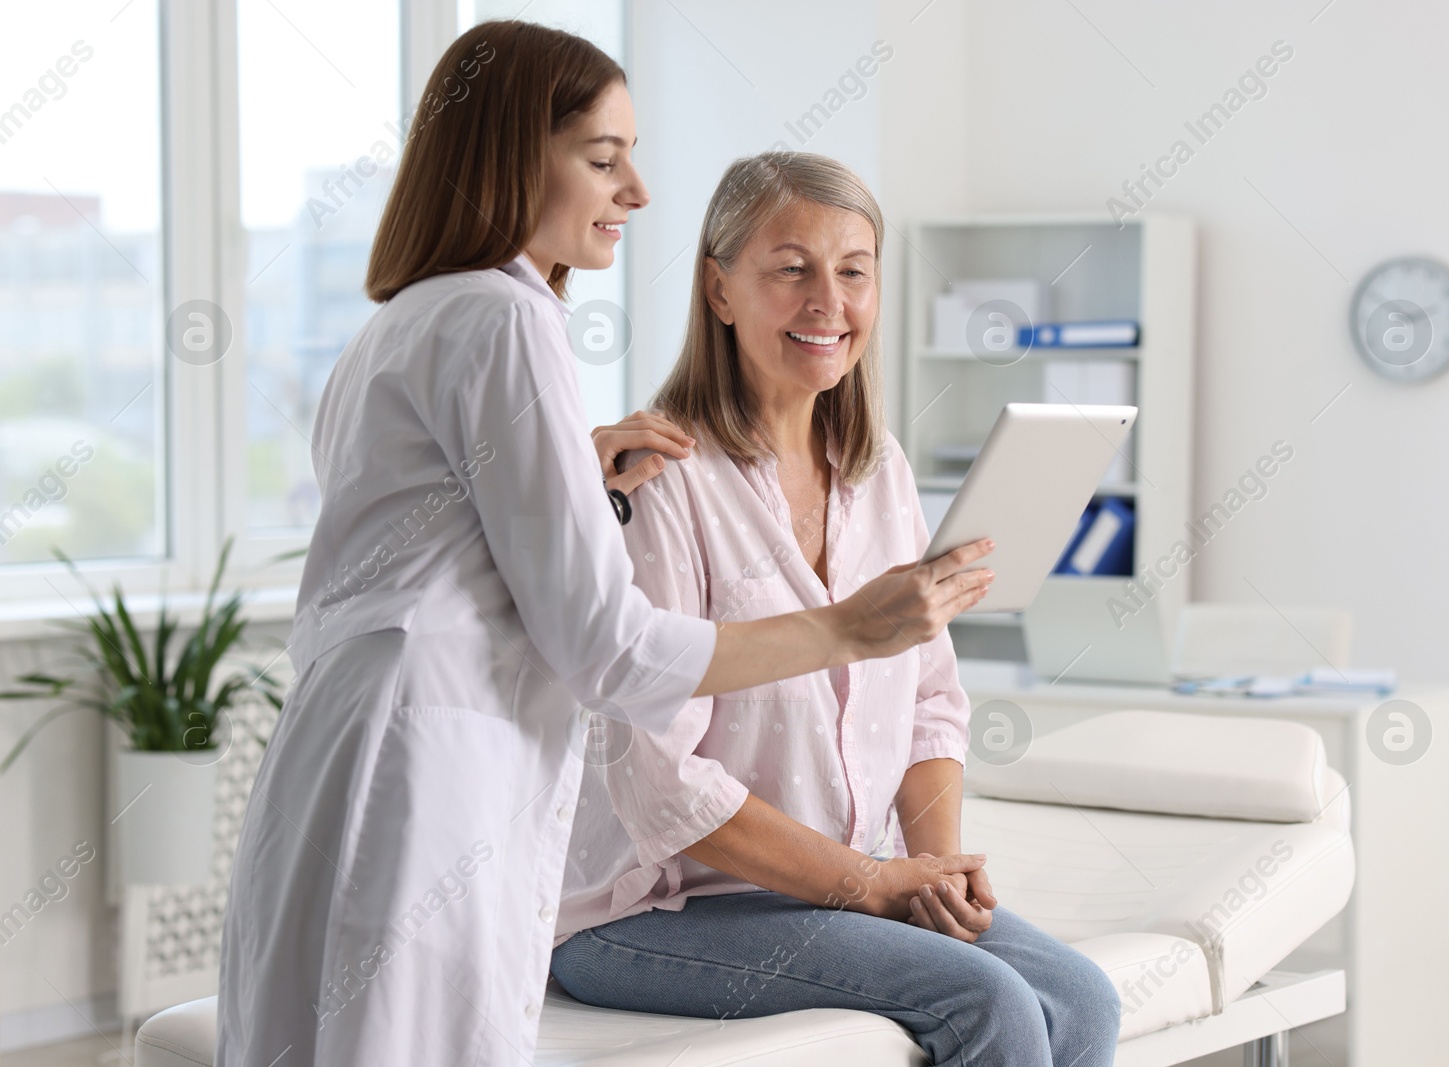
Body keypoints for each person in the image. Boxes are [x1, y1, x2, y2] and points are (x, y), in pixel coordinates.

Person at [214, 25, 993, 1067]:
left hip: (363, 749)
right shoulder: (506, 318)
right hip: (425, 773)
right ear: (504, 157)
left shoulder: (406, 319)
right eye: (601, 157)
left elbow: (417, 542)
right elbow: (610, 652)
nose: (636, 191)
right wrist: (850, 627)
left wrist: (569, 474)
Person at [550, 153, 1123, 1067]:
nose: (828, 301)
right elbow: (664, 784)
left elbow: (932, 699)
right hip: (659, 909)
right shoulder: (661, 479)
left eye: (853, 270)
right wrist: (872, 886)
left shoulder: (877, 469)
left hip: (835, 893)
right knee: (990, 1003)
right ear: (720, 288)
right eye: (791, 268)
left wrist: (932, 874)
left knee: (1080, 997)